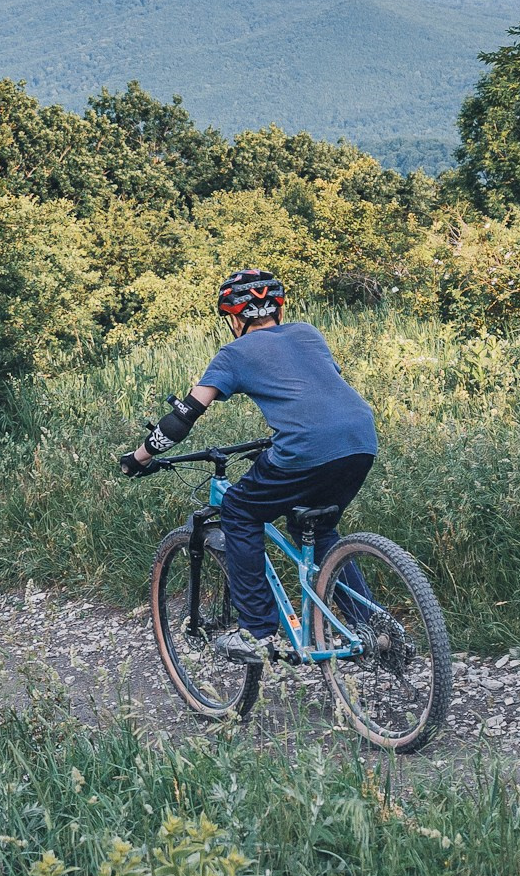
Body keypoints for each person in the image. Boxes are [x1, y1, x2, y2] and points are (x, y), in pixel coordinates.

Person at [118, 268, 377, 664]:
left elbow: (183, 417)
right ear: (276, 308)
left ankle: (256, 633)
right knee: (318, 527)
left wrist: (139, 457)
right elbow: (313, 392)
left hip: (304, 447)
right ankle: (371, 628)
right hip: (360, 440)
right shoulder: (308, 333)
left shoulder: (232, 354)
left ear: (235, 318)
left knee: (239, 511)